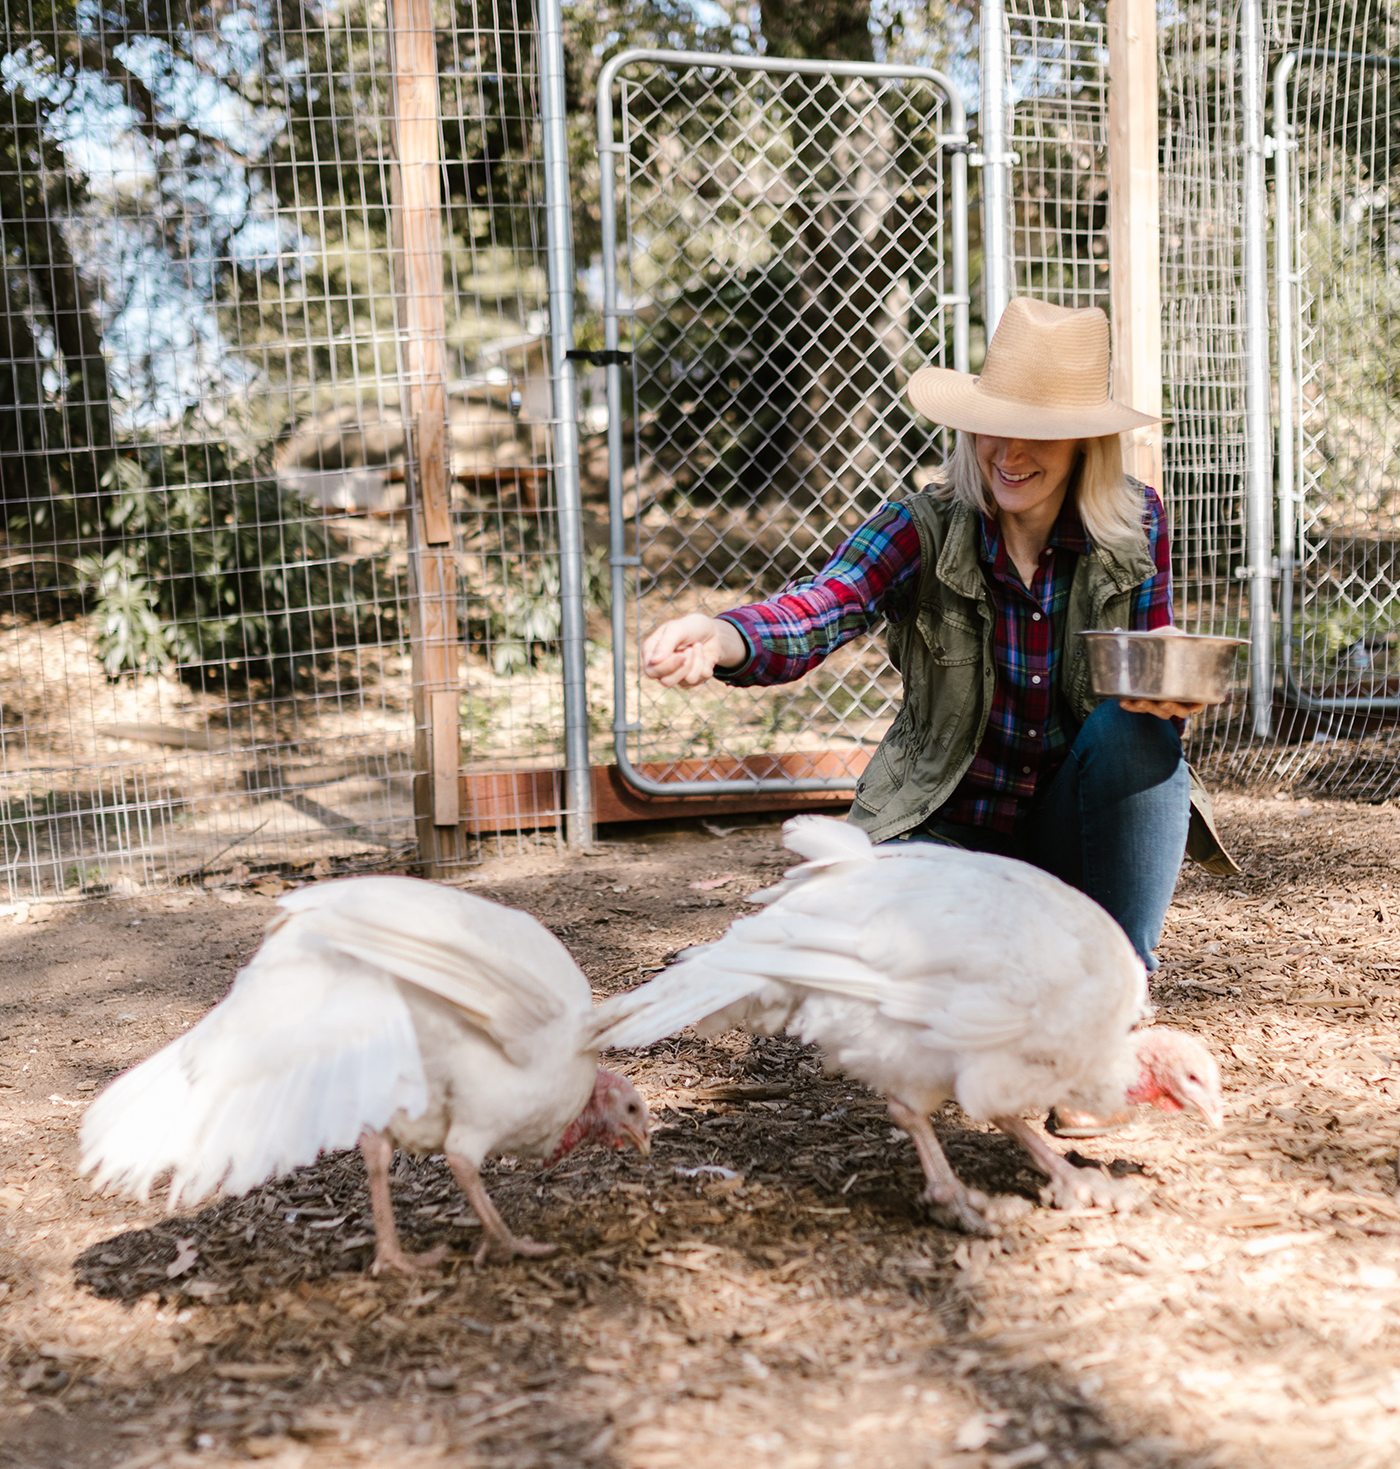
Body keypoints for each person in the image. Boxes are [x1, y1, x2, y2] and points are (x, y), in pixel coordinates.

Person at [641, 297, 1237, 979]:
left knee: (1135, 735)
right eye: (992, 428)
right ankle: (777, 951)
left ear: (1082, 442)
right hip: (941, 832)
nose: (1007, 454)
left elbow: (1148, 688)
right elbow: (825, 604)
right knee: (875, 969)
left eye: (1035, 433)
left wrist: (1171, 693)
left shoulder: (1136, 524)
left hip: (1067, 839)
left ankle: (1119, 986)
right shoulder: (921, 525)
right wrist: (725, 635)